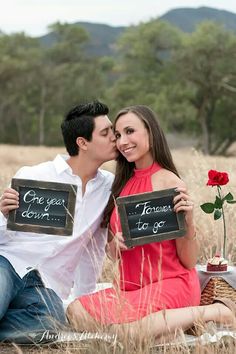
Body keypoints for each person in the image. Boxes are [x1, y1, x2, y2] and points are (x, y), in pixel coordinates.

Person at [67, 105, 236, 340]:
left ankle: (216, 311)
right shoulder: (120, 185)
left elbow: (187, 260)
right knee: (75, 310)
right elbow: (113, 253)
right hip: (131, 290)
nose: (122, 141)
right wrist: (116, 245)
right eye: (118, 135)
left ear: (150, 132)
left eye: (130, 131)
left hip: (170, 284)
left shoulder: (170, 183)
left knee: (130, 334)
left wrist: (188, 221)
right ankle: (171, 326)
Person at [0, 100, 117, 343]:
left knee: (50, 326)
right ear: (82, 143)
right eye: (106, 133)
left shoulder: (108, 188)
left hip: (46, 286)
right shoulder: (34, 175)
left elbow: (93, 249)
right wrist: (2, 214)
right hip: (9, 266)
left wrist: (83, 302)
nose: (114, 137)